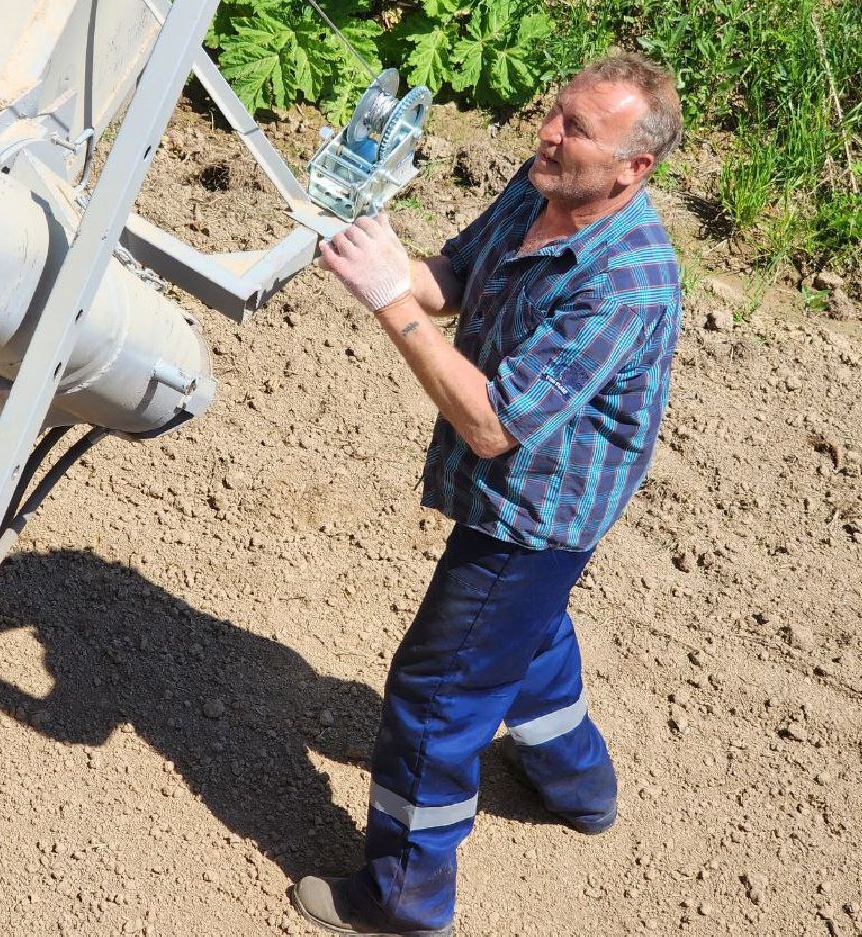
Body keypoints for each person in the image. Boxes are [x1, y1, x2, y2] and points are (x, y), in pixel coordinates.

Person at [293, 52, 685, 936]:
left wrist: (390, 301)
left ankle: (404, 896)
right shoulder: (546, 186)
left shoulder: (626, 281)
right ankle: (578, 786)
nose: (549, 134)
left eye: (578, 129)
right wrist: (376, 254)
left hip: (537, 510)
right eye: (556, 112)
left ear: (634, 169)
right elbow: (457, 275)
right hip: (513, 491)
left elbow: (493, 427)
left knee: (438, 694)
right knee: (527, 640)